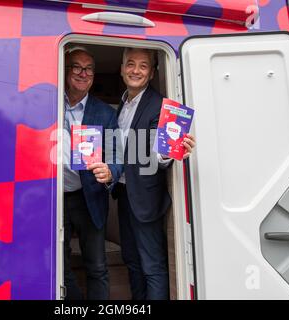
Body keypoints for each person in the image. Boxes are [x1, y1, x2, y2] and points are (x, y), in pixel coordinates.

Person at [113, 47, 196, 300]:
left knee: (152, 267)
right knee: (132, 260)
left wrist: (170, 152)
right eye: (130, 64)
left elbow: (158, 155)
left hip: (146, 199)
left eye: (143, 66)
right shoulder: (123, 102)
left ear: (151, 73)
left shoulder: (160, 106)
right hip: (124, 193)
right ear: (122, 68)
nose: (135, 70)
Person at [63, 46, 122, 300]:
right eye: (77, 66)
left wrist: (110, 172)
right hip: (51, 197)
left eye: (89, 69)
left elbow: (117, 156)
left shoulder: (105, 113)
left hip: (89, 198)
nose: (83, 73)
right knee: (58, 265)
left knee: (97, 267)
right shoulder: (46, 103)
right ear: (65, 70)